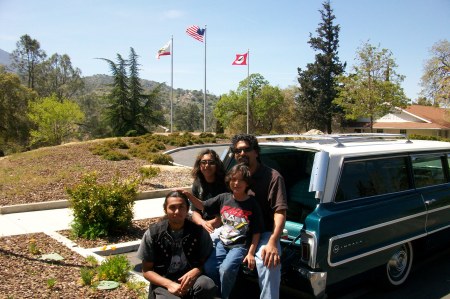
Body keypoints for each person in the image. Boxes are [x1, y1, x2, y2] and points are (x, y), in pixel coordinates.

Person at [180, 163, 263, 299]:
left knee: (226, 269)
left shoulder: (252, 204)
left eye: (240, 180)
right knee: (210, 267)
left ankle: (224, 296)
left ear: (247, 182)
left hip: (239, 246)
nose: (236, 183)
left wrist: (251, 253)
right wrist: (188, 195)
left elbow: (256, 232)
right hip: (222, 243)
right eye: (233, 179)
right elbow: (202, 205)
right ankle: (217, 293)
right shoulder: (224, 198)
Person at [231, 134, 288, 299]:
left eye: (246, 149)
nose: (242, 153)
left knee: (268, 262)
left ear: (256, 152)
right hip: (238, 229)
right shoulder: (234, 177)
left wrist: (273, 242)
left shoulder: (273, 177)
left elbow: (280, 212)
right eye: (237, 151)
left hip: (264, 233)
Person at [137, 191, 217, 299]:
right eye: (172, 207)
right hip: (163, 282)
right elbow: (146, 271)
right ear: (165, 209)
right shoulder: (153, 234)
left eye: (181, 207)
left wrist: (197, 270)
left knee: (207, 285)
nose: (177, 211)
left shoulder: (199, 232)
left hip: (190, 279)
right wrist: (169, 284)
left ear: (187, 209)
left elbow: (206, 262)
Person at [189, 149, 228, 235]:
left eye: (211, 162)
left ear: (217, 165)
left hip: (223, 226)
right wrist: (203, 223)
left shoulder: (225, 184)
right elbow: (195, 211)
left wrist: (207, 225)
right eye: (203, 162)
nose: (207, 165)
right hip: (203, 224)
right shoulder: (197, 183)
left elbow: (226, 215)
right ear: (199, 165)